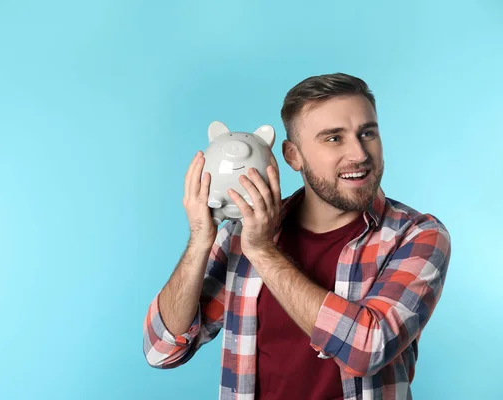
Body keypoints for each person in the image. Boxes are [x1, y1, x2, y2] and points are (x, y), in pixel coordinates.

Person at [142, 73, 451, 400]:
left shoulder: (417, 235)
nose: (359, 154)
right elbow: (162, 350)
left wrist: (263, 253)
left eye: (367, 133)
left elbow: (367, 349)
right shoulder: (241, 233)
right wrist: (201, 239)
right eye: (334, 138)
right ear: (292, 156)